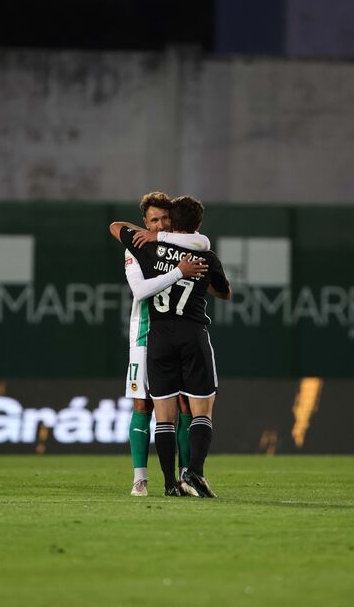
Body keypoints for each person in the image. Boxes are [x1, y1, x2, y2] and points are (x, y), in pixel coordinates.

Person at [111, 195, 231, 497]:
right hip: (145, 331)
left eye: (165, 220)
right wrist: (179, 270)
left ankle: (180, 478)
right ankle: (142, 478)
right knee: (143, 404)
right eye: (153, 221)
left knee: (179, 408)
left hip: (164, 334)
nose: (160, 224)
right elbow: (140, 291)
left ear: (173, 222)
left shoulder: (160, 246)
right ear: (145, 224)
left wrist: (162, 242)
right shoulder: (139, 246)